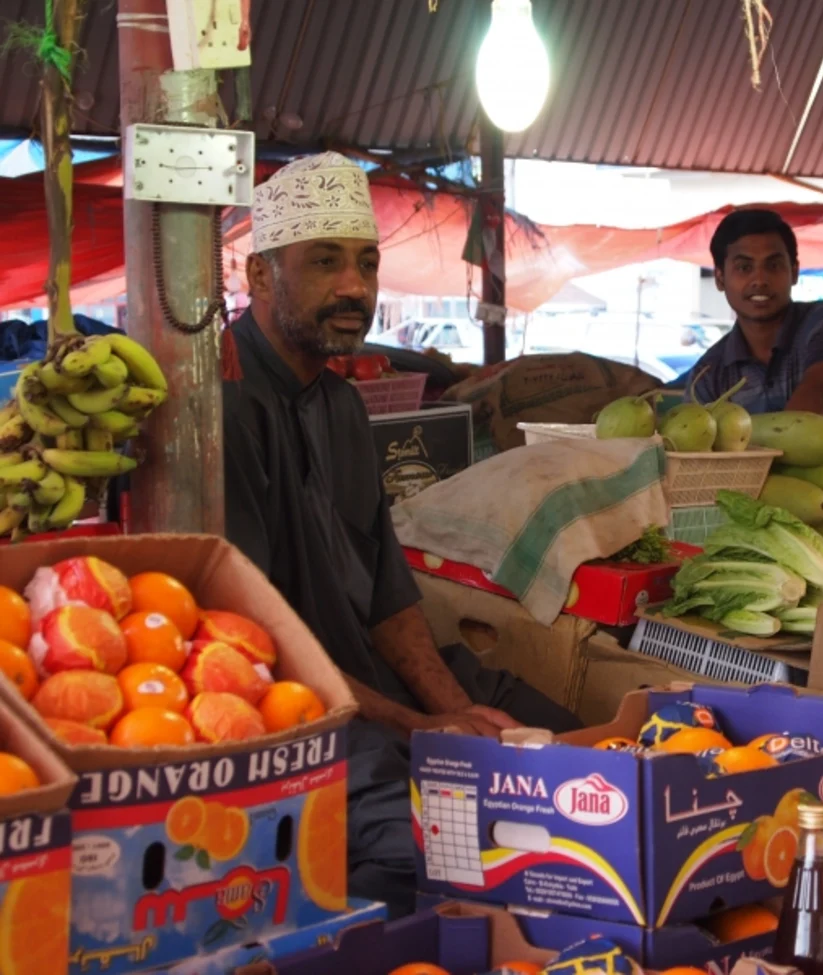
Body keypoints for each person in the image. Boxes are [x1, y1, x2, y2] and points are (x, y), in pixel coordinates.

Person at [222, 152, 581, 917]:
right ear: (258, 277)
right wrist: (423, 729)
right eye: (324, 262)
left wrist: (461, 718)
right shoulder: (224, 409)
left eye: (366, 262)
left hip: (375, 691)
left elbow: (389, 600)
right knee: (421, 850)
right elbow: (252, 645)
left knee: (563, 743)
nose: (354, 286)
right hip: (292, 713)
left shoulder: (345, 408)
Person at [684, 209, 823, 446]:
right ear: (720, 279)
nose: (760, 280)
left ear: (794, 272)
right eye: (744, 268)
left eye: (773, 265)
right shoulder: (709, 376)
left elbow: (820, 394)